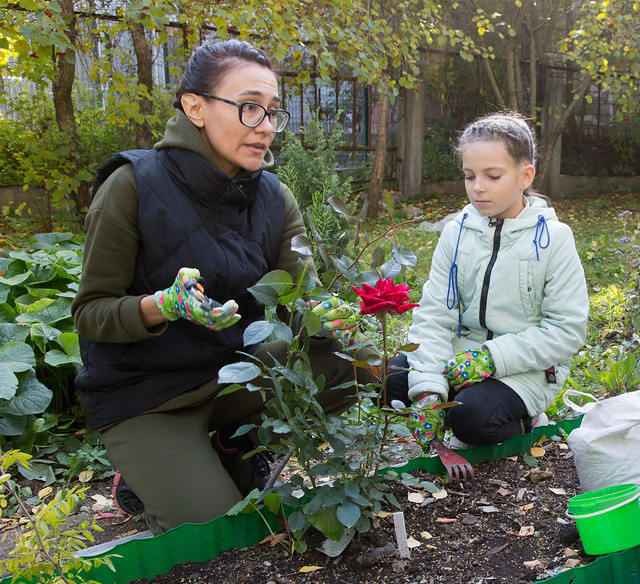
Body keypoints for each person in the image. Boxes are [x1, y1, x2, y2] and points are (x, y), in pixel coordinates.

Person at [73, 40, 364, 535]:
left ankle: (235, 442)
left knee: (345, 364)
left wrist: (323, 313)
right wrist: (160, 305)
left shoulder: (273, 196)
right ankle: (149, 471)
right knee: (220, 536)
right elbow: (91, 313)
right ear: (195, 107)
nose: (266, 126)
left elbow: (298, 299)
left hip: (233, 375)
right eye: (250, 107)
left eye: (273, 112)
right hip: (147, 394)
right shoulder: (132, 185)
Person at [384, 112, 588, 454]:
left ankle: (527, 418)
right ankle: (451, 398)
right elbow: (435, 315)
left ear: (525, 176)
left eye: (492, 176)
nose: (477, 187)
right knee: (389, 381)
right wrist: (429, 390)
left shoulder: (554, 238)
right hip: (459, 356)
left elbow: (566, 332)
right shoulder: (456, 232)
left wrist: (491, 359)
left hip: (525, 368)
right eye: (469, 176)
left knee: (471, 419)